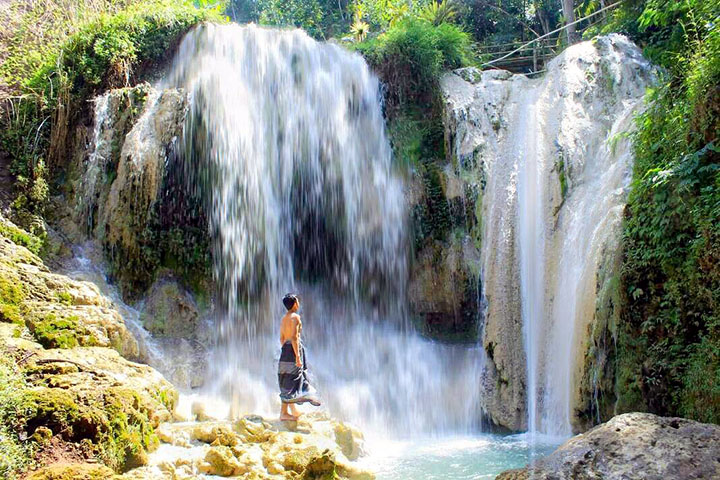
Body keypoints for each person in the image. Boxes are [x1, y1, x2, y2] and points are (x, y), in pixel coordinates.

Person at [278, 293, 320, 421]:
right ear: (295, 303)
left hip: (285, 349)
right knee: (295, 377)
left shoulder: (284, 318)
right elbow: (295, 338)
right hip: (293, 350)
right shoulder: (295, 317)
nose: (299, 303)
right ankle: (284, 413)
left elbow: (282, 338)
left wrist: (286, 349)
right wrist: (297, 356)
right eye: (297, 301)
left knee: (287, 379)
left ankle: (291, 410)